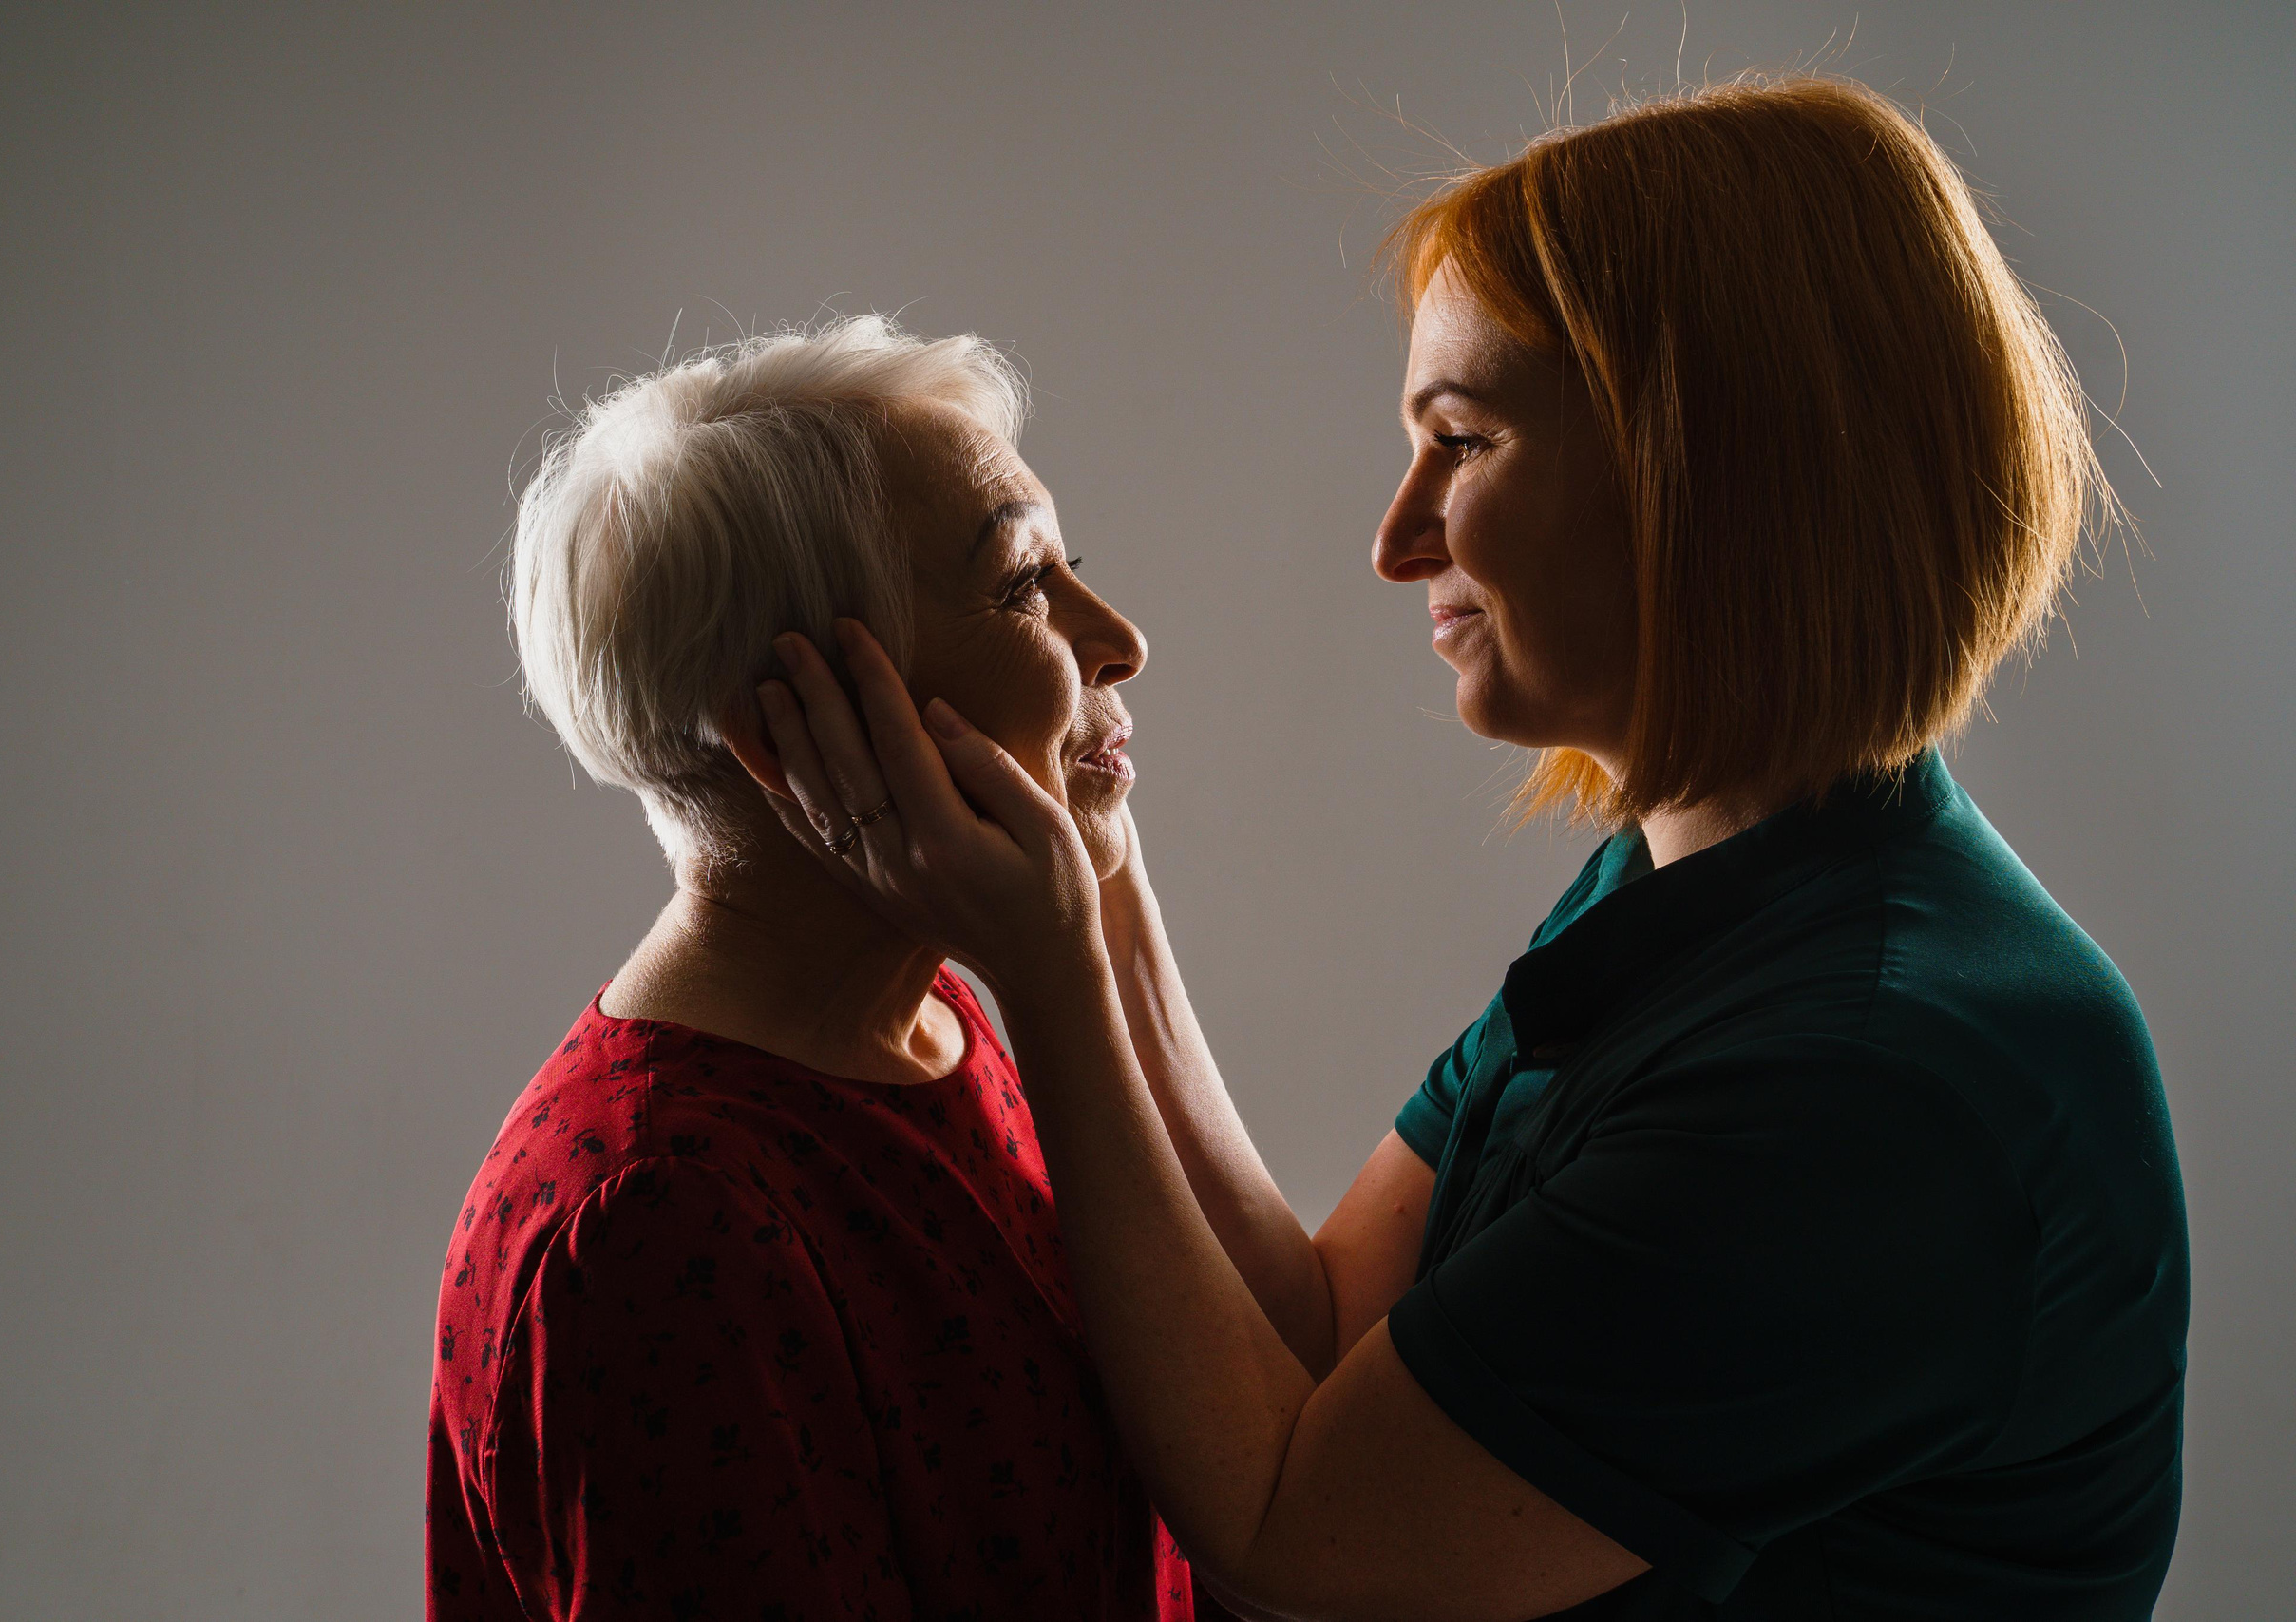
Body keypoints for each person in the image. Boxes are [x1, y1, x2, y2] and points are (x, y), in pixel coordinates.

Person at [756, 78, 2191, 1620]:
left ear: (1715, 473)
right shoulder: (1699, 894)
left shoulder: (1866, 1082)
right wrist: (1099, 883)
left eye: (1464, 440)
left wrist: (1047, 980)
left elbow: (1295, 1543)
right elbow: (1320, 1333)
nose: (1398, 540)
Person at [425, 316, 1197, 1620]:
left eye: (1074, 572)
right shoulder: (665, 1226)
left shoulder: (937, 1020)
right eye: (1023, 587)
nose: (1117, 640)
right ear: (789, 736)